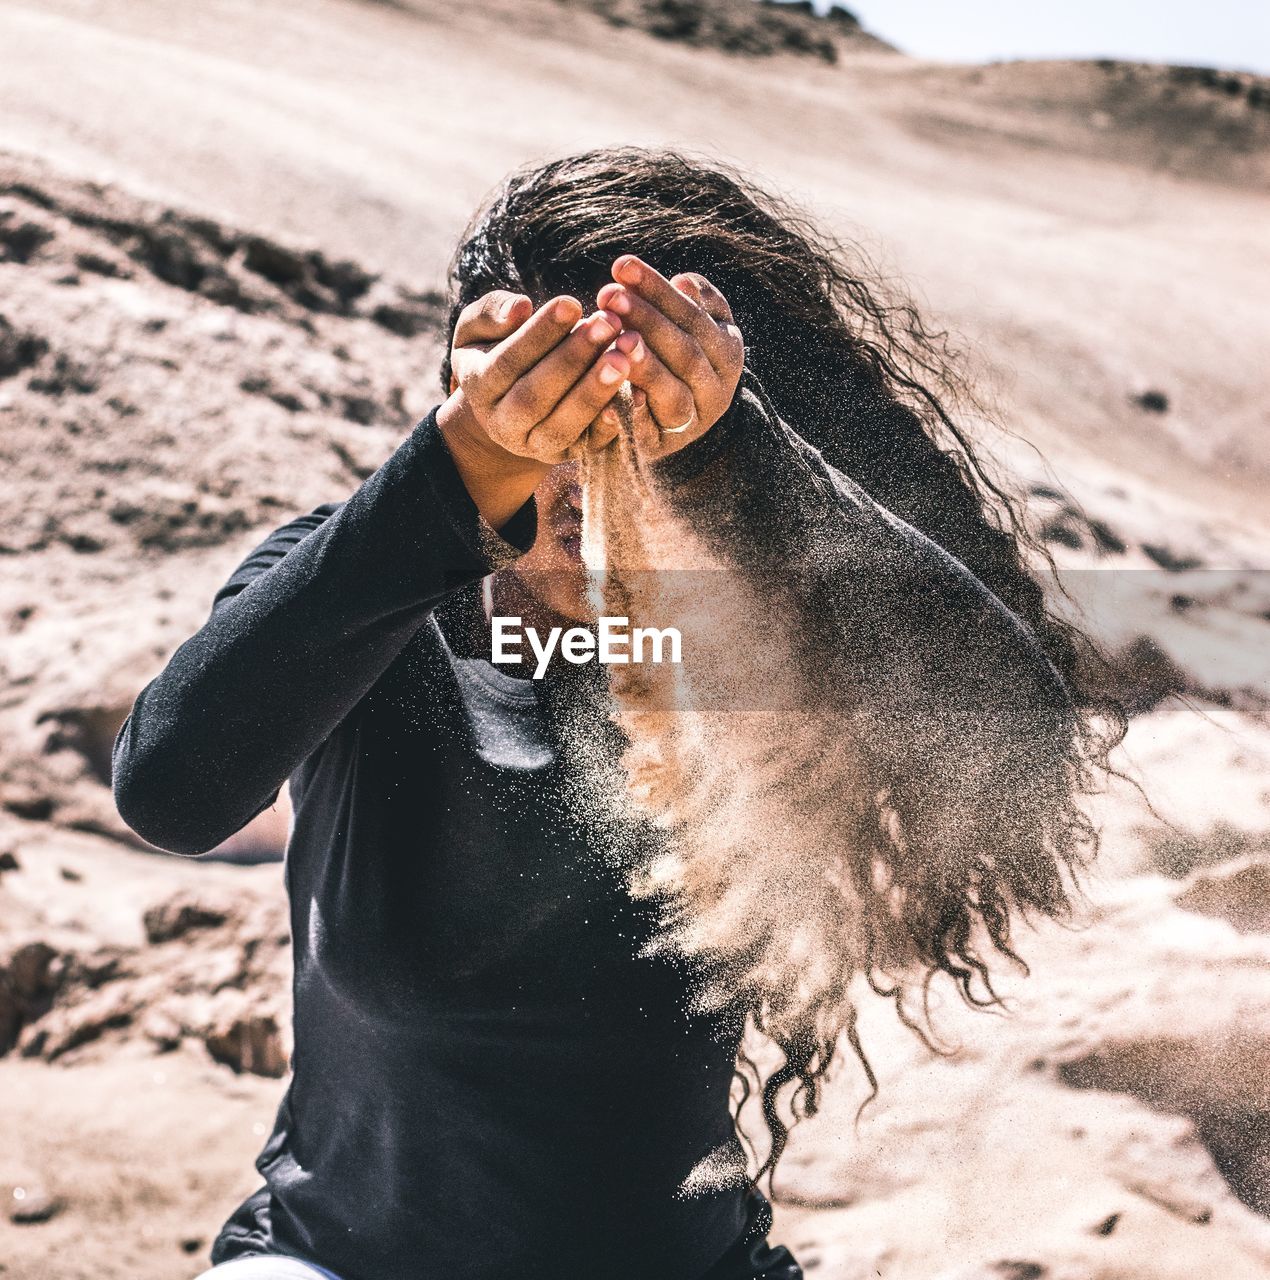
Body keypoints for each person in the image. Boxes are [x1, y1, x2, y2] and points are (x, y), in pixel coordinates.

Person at [112, 148, 1113, 1280]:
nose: (591, 471)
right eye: (551, 409)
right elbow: (171, 789)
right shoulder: (361, 590)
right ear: (475, 384)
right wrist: (454, 471)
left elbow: (1017, 741)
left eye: (637, 420)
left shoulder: (729, 643)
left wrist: (740, 459)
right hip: (330, 1259)